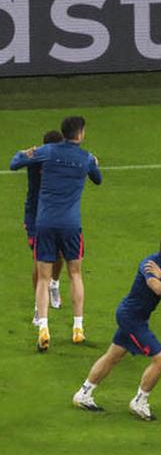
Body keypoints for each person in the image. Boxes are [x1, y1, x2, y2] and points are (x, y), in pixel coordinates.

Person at [71, 228, 161, 419]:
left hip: (138, 317)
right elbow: (158, 288)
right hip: (131, 317)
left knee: (113, 356)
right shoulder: (149, 264)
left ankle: (83, 393)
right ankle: (139, 401)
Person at [10, 115, 101, 352]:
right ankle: (78, 328)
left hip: (45, 223)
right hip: (71, 225)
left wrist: (25, 153)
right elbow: (98, 179)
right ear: (80, 133)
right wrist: (94, 163)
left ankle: (43, 328)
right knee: (76, 274)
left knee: (43, 277)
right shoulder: (85, 157)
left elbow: (14, 163)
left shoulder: (47, 152)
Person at [21, 130, 65, 324]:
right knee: (40, 260)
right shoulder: (36, 159)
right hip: (36, 217)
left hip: (58, 215)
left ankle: (54, 284)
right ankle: (39, 308)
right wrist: (26, 153)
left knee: (60, 254)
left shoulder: (62, 161)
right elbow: (15, 162)